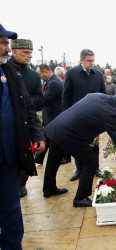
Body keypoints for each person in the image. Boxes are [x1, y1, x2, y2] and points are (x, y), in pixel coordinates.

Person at [44, 92, 116, 206]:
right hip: (69, 134)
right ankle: (81, 198)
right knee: (90, 162)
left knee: (53, 160)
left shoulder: (99, 96)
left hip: (57, 126)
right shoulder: (111, 113)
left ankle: (48, 189)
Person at [0, 24, 45, 249]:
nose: (6, 49)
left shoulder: (12, 75)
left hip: (9, 153)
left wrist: (37, 133)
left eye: (7, 44)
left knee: (11, 210)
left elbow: (29, 106)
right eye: (3, 43)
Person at [7, 38, 43, 198]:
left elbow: (39, 99)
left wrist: (22, 102)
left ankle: (22, 183)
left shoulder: (34, 76)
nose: (29, 56)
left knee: (25, 154)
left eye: (31, 53)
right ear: (14, 52)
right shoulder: (5, 70)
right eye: (25, 53)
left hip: (25, 123)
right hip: (6, 123)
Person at [63, 49, 105, 181]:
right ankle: (79, 169)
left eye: (93, 60)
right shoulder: (71, 73)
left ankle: (95, 167)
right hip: (76, 117)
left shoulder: (98, 75)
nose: (92, 63)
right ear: (81, 60)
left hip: (94, 117)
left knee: (95, 144)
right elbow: (66, 96)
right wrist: (66, 115)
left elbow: (103, 96)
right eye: (89, 61)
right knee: (78, 144)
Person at [33, 64, 63, 166]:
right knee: (47, 139)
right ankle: (39, 159)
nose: (39, 77)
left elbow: (44, 100)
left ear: (46, 71)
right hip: (51, 117)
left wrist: (30, 108)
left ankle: (39, 159)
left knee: (47, 139)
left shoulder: (54, 83)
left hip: (53, 118)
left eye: (40, 74)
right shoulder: (51, 81)